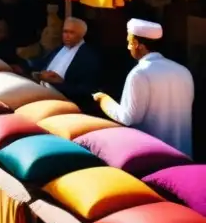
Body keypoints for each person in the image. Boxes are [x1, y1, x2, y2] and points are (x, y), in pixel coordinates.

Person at [94, 19, 195, 155]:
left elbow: (128, 118)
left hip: (153, 156)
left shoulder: (139, 73)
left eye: (129, 43)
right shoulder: (183, 71)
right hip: (184, 154)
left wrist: (103, 100)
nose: (128, 47)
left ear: (137, 44)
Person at [28, 17, 101, 113]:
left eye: (71, 33)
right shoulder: (59, 49)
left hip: (66, 103)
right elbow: (41, 64)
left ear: (81, 34)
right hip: (42, 93)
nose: (67, 36)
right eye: (65, 32)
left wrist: (61, 83)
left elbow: (87, 91)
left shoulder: (89, 57)